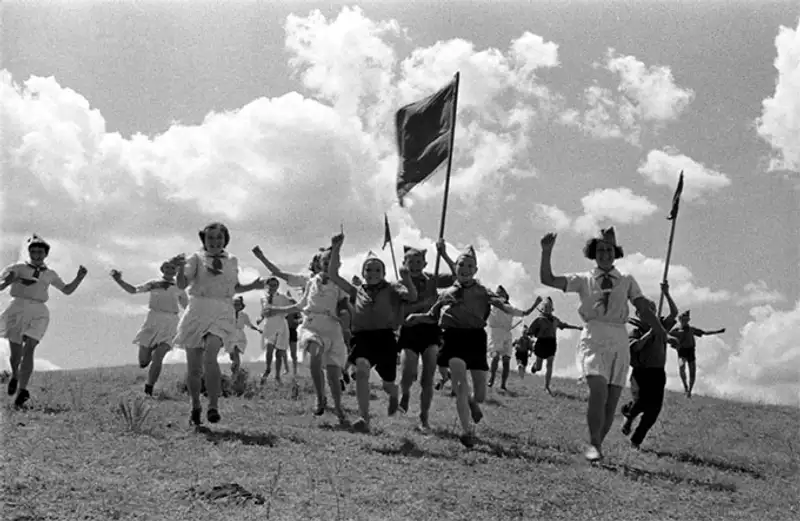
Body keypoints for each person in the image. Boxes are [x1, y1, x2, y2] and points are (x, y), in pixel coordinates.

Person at [539, 227, 665, 462]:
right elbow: (547, 279)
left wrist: (658, 328)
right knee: (598, 390)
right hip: (594, 337)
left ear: (615, 253)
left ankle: (597, 444)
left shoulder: (627, 280)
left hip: (619, 340)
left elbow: (641, 306)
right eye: (600, 250)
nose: (605, 254)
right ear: (593, 254)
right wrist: (546, 252)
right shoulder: (583, 280)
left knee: (611, 401)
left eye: (609, 250)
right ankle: (593, 444)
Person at [406, 245, 525, 448]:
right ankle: (467, 431)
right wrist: (416, 317)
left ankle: (473, 402)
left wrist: (520, 311)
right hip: (453, 338)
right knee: (460, 385)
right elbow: (432, 315)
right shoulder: (448, 293)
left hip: (476, 339)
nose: (465, 268)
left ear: (476, 270)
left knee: (480, 394)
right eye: (461, 264)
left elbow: (501, 304)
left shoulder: (482, 291)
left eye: (470, 265)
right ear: (457, 268)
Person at [171, 222, 265, 426]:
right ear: (204, 240)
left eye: (219, 238)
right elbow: (182, 284)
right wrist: (179, 268)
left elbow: (235, 287)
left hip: (222, 310)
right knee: (194, 369)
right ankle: (195, 405)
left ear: (225, 239)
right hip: (197, 310)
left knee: (211, 355)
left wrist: (255, 286)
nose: (214, 242)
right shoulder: (195, 259)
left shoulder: (231, 260)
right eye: (210, 238)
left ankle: (213, 406)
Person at [328, 236, 417, 432]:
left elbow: (411, 297)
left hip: (385, 338)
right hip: (363, 338)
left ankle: (394, 393)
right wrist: (336, 248)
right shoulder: (356, 290)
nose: (373, 273)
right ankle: (364, 417)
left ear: (384, 273)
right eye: (368, 269)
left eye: (377, 270)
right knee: (361, 371)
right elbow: (333, 275)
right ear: (362, 272)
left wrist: (408, 280)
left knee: (387, 384)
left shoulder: (392, 288)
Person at [261, 240, 350, 424]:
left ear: (338, 265)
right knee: (314, 351)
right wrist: (278, 311)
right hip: (312, 324)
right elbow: (301, 305)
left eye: (332, 263)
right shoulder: (311, 283)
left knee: (333, 374)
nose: (327, 266)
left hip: (332, 328)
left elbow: (346, 308)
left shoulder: (340, 285)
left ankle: (339, 408)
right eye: (324, 263)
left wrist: (347, 319)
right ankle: (320, 398)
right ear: (319, 265)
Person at [0, 234, 88, 408]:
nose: (36, 255)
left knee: (30, 347)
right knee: (16, 354)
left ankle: (22, 390)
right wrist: (11, 280)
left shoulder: (50, 274)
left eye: (40, 252)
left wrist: (79, 277)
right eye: (33, 251)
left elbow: (67, 290)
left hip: (39, 310)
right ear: (29, 252)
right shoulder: (17, 267)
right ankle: (15, 375)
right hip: (17, 308)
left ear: (46, 254)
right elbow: (1, 285)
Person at [396, 240, 456, 433]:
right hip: (410, 332)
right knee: (407, 372)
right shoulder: (399, 284)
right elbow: (401, 312)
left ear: (425, 264)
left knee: (428, 377)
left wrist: (444, 254)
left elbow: (458, 276)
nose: (414, 265)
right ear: (404, 264)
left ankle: (424, 418)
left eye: (418, 261)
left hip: (430, 331)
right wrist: (426, 303)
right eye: (410, 262)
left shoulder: (432, 279)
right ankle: (404, 393)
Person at [110, 260, 188, 395]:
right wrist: (119, 281)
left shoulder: (179, 287)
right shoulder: (153, 283)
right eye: (167, 267)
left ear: (176, 271)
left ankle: (148, 389)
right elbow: (134, 290)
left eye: (173, 268)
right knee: (143, 362)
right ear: (162, 269)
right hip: (152, 321)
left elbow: (187, 307)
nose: (170, 270)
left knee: (158, 356)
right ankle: (150, 351)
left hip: (170, 323)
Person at [620, 282, 678, 448]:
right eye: (648, 310)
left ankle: (635, 441)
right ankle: (629, 414)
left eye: (653, 309)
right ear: (639, 314)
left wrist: (666, 293)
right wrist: (650, 333)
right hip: (641, 374)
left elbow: (674, 312)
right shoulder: (635, 331)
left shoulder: (662, 326)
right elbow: (636, 346)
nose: (652, 311)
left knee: (653, 411)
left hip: (658, 373)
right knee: (641, 402)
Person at [487, 286, 539, 390]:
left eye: (502, 294)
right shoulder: (491, 306)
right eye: (498, 293)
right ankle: (492, 377)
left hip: (507, 334)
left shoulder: (510, 309)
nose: (500, 295)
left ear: (506, 296)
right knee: (496, 357)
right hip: (495, 333)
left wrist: (536, 304)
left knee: (506, 360)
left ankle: (503, 384)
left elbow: (526, 312)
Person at [528, 297, 582, 395]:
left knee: (550, 364)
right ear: (543, 308)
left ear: (552, 309)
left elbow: (564, 325)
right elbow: (530, 331)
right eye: (546, 307)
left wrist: (577, 327)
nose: (548, 308)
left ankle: (547, 386)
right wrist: (529, 333)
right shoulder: (539, 319)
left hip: (551, 343)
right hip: (541, 343)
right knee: (539, 368)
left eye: (549, 307)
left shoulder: (555, 320)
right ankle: (535, 366)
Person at [670, 309, 725, 398]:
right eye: (683, 319)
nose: (684, 321)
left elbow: (705, 333)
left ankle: (689, 392)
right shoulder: (675, 330)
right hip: (682, 351)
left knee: (692, 372)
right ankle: (685, 387)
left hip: (691, 351)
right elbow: (667, 337)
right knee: (681, 367)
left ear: (688, 320)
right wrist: (675, 345)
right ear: (680, 320)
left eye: (686, 320)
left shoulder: (692, 329)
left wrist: (717, 331)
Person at [257, 276, 294, 383]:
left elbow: (294, 306)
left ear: (278, 286)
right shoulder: (263, 298)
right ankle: (268, 368)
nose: (273, 287)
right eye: (271, 285)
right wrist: (260, 318)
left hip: (281, 324)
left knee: (279, 353)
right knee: (269, 349)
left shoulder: (283, 297)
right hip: (269, 325)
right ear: (266, 286)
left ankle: (277, 376)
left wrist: (291, 299)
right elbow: (263, 312)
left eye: (275, 285)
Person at [227, 296, 261, 375]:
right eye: (234, 304)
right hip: (229, 338)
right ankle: (234, 372)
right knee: (233, 358)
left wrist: (258, 329)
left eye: (238, 304)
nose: (236, 306)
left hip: (239, 338)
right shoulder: (227, 315)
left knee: (236, 356)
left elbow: (250, 325)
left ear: (241, 306)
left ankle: (235, 376)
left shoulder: (244, 315)